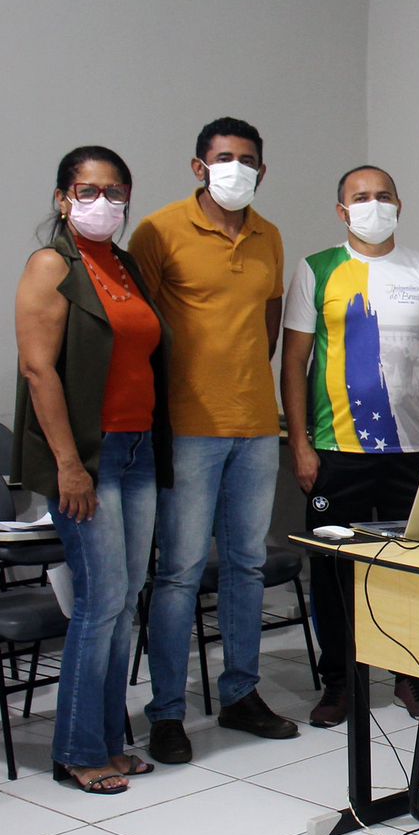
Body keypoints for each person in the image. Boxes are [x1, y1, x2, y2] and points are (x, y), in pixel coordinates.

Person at [129, 117, 297, 763]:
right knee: (178, 574)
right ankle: (167, 710)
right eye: (223, 158)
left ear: (262, 169)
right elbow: (139, 324)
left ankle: (240, 693)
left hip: (255, 426)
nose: (236, 168)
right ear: (198, 166)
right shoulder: (160, 231)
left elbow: (269, 323)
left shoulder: (268, 237)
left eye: (247, 159)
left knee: (248, 567)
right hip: (188, 427)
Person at [282, 166, 419, 726]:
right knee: (334, 573)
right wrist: (300, 446)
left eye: (383, 195)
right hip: (336, 451)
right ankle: (339, 683)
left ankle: (414, 680)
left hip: (413, 454)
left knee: (412, 573)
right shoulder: (317, 269)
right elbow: (293, 363)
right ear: (342, 211)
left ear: (399, 204)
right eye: (360, 198)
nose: (373, 204)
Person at [13, 147, 170, 794]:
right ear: (62, 198)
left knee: (123, 600)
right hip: (89, 456)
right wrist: (68, 466)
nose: (101, 202)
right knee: (100, 602)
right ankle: (79, 751)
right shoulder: (52, 265)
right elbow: (38, 369)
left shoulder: (124, 265)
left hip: (137, 451)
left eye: (113, 191)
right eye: (87, 190)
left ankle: (109, 738)